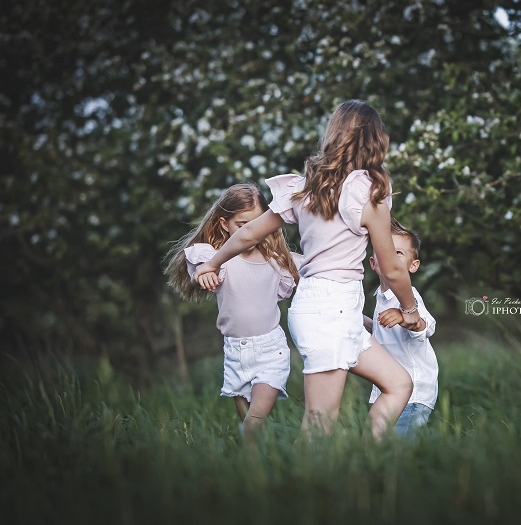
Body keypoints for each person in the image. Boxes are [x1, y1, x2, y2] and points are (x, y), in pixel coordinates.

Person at [192, 100, 417, 440]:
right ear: (376, 140)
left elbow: (250, 233)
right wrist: (410, 309)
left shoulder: (307, 187)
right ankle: (300, 474)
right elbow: (393, 269)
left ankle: (371, 458)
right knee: (320, 424)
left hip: (329, 309)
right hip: (330, 311)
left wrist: (213, 261)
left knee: (399, 383)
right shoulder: (368, 192)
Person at [165, 182, 301, 439]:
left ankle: (261, 454)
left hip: (271, 351)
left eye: (257, 225)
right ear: (224, 224)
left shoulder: (277, 263)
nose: (251, 232)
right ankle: (260, 459)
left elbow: (316, 275)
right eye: (242, 225)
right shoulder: (217, 259)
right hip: (235, 353)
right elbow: (201, 267)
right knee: (251, 429)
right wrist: (203, 274)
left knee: (254, 421)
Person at [365, 219, 438, 437]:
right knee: (380, 444)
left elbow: (426, 326)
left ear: (413, 265)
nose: (389, 258)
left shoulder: (409, 296)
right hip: (388, 390)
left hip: (412, 393)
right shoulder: (380, 297)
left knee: (398, 446)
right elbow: (381, 331)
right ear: (373, 262)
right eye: (384, 251)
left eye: (397, 253)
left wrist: (406, 317)